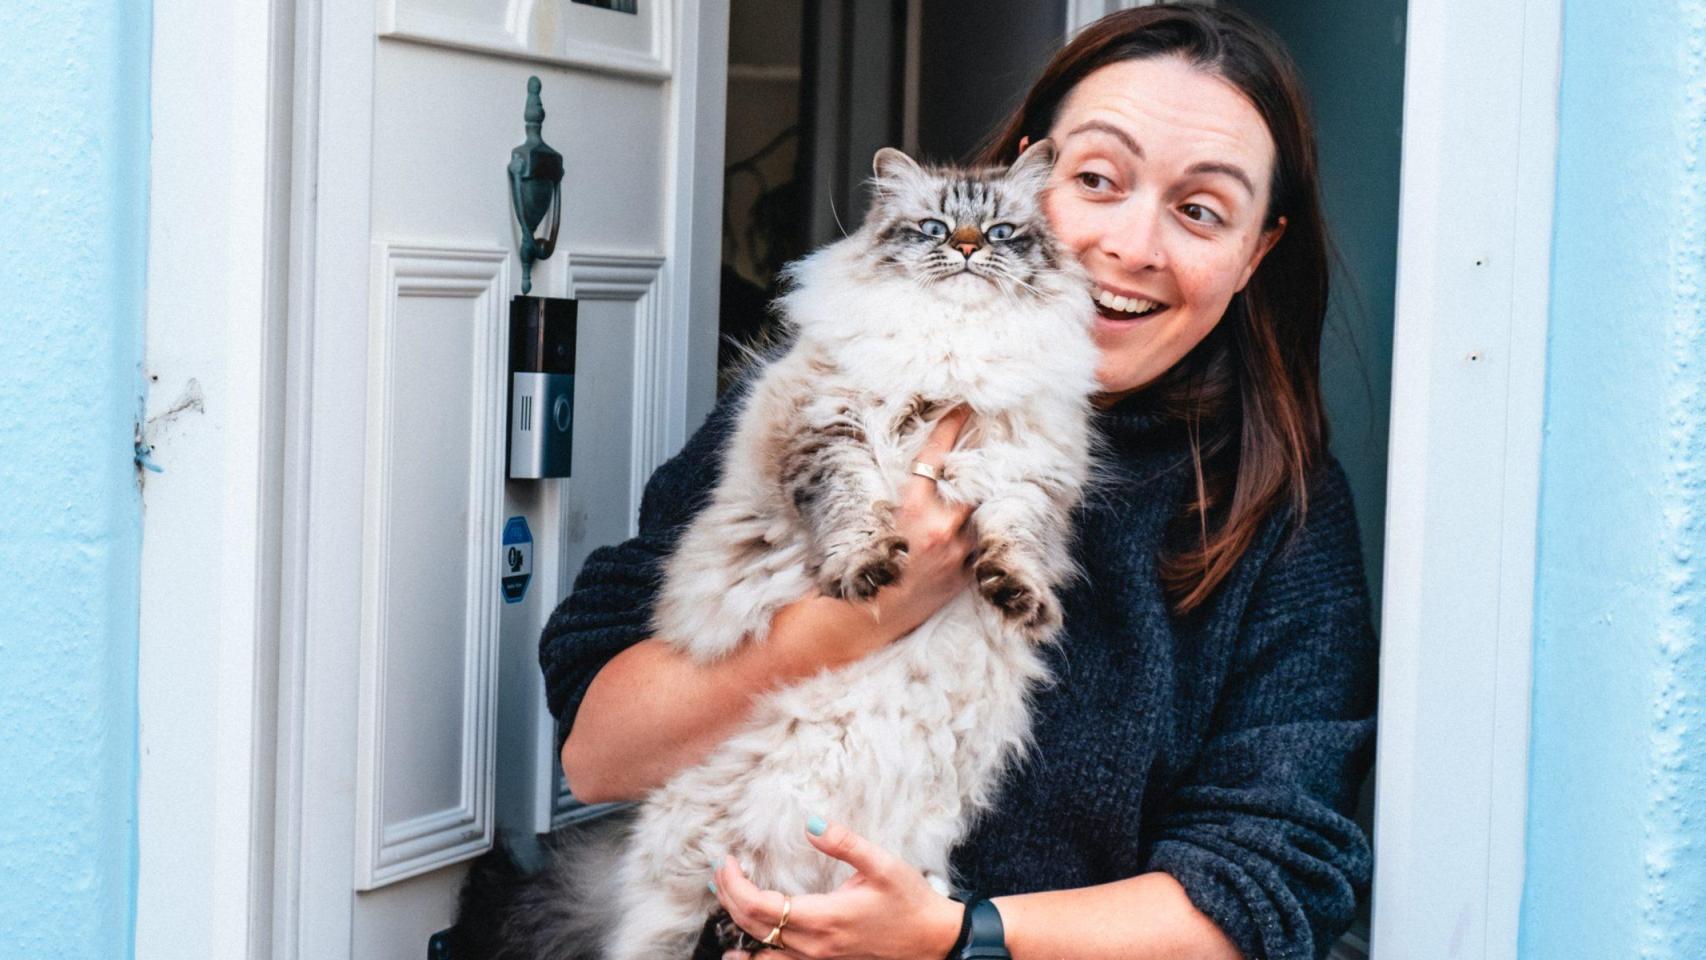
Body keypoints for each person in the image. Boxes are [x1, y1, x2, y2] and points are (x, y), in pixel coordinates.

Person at [539, 5, 1376, 958]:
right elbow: (600, 751)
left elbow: (1274, 884)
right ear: (1027, 175)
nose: (1132, 245)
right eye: (1097, 179)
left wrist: (953, 936)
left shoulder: (1280, 512)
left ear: (1256, 251)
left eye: (1199, 211)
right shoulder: (829, 388)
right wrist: (862, 616)